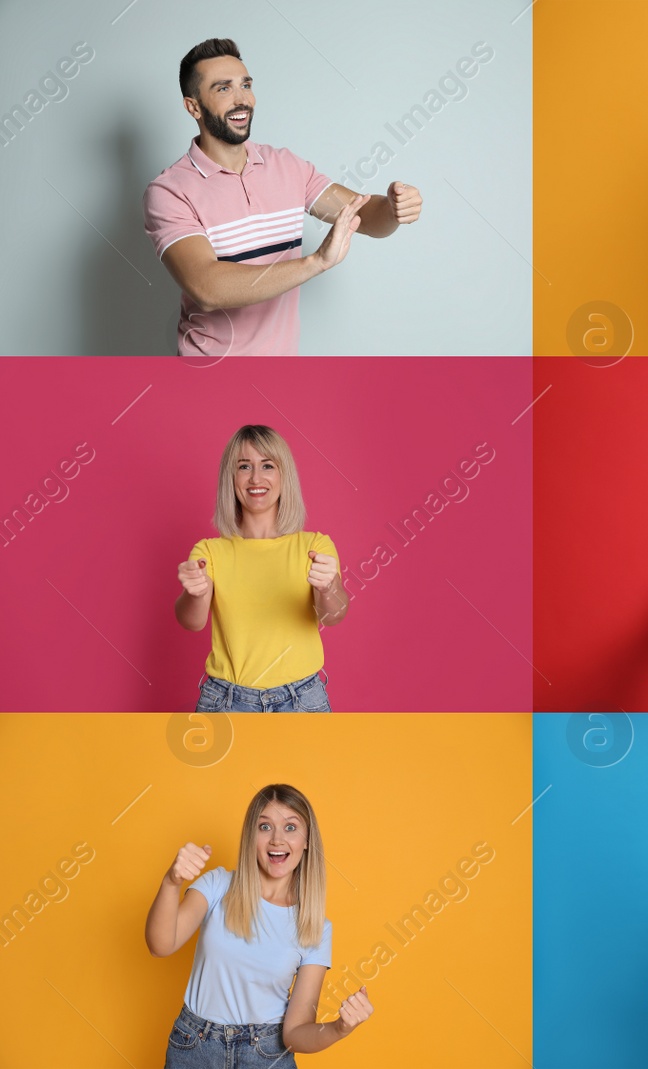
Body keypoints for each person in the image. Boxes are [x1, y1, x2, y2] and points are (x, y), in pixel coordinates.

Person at [144, 39, 424, 356]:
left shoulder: (286, 166)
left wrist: (393, 207)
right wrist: (316, 263)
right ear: (193, 106)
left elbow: (365, 216)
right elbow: (207, 287)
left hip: (282, 373)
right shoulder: (169, 191)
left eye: (245, 85)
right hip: (209, 378)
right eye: (223, 89)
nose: (242, 99)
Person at [144, 784, 375, 1067]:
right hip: (194, 1047)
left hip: (266, 1055)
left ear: (306, 840)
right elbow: (160, 945)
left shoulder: (315, 927)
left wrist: (340, 1027)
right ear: (251, 837)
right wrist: (172, 882)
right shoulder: (218, 885)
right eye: (265, 827)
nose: (277, 839)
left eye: (290, 827)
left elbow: (295, 1035)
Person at [175, 425, 348, 711]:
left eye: (267, 465)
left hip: (302, 699)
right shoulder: (209, 552)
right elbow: (192, 622)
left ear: (284, 475)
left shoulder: (315, 546)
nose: (256, 477)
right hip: (226, 700)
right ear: (231, 478)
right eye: (244, 466)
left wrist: (328, 587)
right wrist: (193, 594)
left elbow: (333, 616)